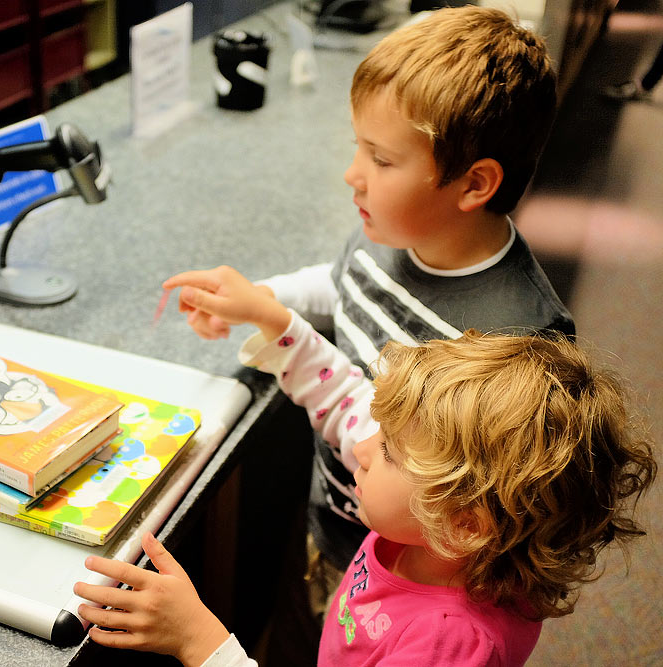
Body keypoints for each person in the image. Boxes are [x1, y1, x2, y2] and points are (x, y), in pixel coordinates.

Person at [167, 6, 575, 659]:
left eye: (381, 159)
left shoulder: (516, 344)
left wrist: (279, 329)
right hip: (340, 534)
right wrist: (265, 297)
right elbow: (346, 280)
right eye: (359, 147)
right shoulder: (399, 229)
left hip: (417, 595)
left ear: (475, 183)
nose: (353, 175)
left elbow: (375, 426)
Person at [73, 315, 657, 666]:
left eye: (392, 452)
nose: (360, 448)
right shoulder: (428, 537)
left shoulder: (447, 645)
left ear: (466, 524)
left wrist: (199, 640)